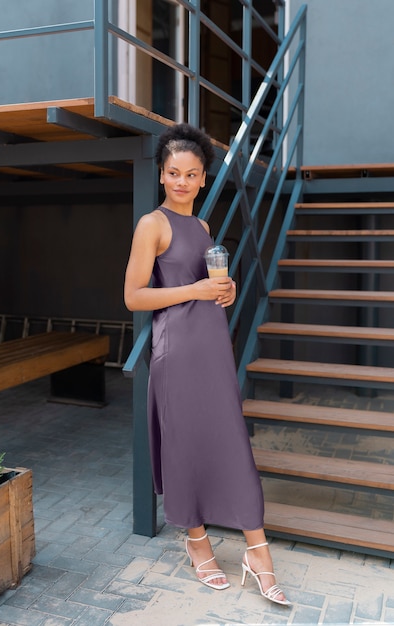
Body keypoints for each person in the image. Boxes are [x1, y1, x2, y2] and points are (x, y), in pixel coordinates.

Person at [124, 123, 290, 606]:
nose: (181, 181)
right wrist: (196, 290)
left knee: (230, 442)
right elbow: (134, 296)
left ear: (202, 180)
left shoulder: (202, 228)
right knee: (186, 444)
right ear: (161, 175)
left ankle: (257, 551)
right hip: (176, 350)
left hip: (213, 347)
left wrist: (227, 289)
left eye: (190, 174)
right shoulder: (151, 225)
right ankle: (199, 543)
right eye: (173, 172)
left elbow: (207, 282)